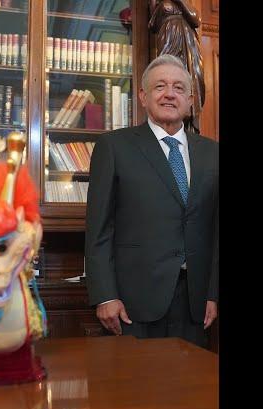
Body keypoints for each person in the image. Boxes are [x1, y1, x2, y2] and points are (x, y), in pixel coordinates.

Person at [85, 54, 218, 348]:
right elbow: (99, 230)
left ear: (190, 99)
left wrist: (214, 293)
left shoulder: (213, 154)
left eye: (179, 88)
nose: (170, 94)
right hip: (133, 304)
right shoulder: (114, 147)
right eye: (160, 86)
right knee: (136, 391)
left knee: (191, 391)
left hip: (196, 305)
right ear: (143, 96)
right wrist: (105, 295)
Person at [148, 0, 205, 133]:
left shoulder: (184, 3)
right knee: (166, 74)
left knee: (192, 80)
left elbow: (196, 19)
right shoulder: (161, 4)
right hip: (168, 37)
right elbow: (152, 25)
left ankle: (187, 124)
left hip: (188, 41)